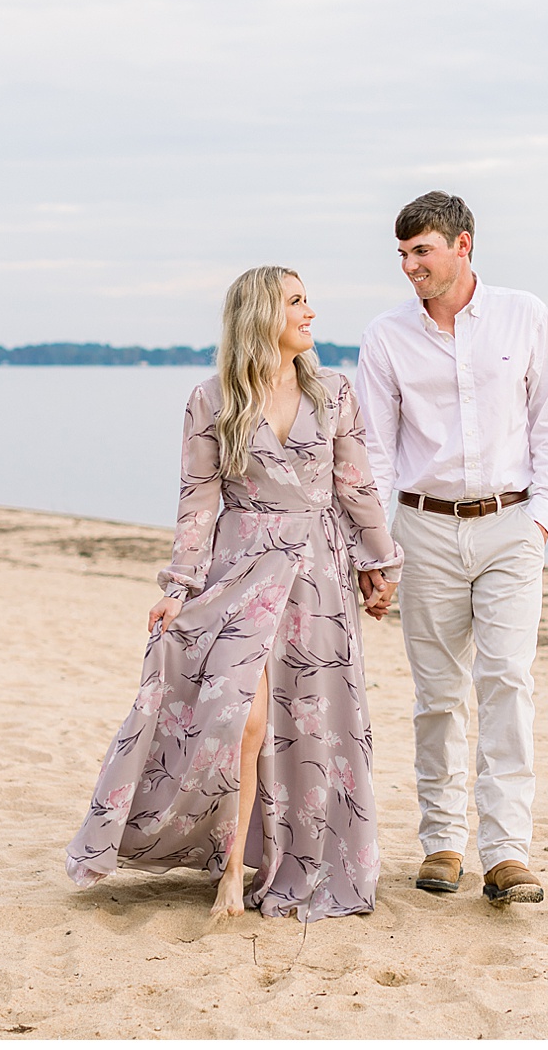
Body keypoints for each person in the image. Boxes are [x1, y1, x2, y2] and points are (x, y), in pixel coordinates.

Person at [64, 265, 403, 922]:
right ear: (261, 316)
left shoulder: (335, 390)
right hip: (239, 568)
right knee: (240, 715)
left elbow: (356, 487)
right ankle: (227, 866)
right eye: (297, 301)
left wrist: (380, 562)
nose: (311, 311)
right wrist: (179, 584)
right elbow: (198, 500)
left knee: (309, 719)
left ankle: (269, 865)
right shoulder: (211, 399)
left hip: (316, 573)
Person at [355, 191, 548, 905]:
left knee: (508, 681)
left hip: (512, 524)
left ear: (463, 244)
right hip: (423, 528)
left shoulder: (526, 315)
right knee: (437, 693)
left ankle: (507, 851)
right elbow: (375, 453)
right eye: (403, 254)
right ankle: (443, 841)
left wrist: (540, 519)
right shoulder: (385, 337)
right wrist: (378, 551)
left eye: (422, 250)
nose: (410, 265)